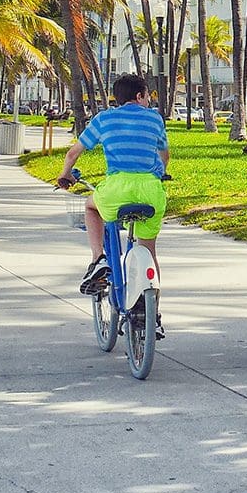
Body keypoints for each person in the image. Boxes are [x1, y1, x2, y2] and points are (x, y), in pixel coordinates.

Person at [58, 74, 170, 337]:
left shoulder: (104, 119)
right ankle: (153, 314)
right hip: (151, 191)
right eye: (147, 96)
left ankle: (99, 258)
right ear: (140, 96)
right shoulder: (154, 118)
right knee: (149, 250)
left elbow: (74, 152)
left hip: (116, 189)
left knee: (91, 207)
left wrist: (65, 174)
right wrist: (160, 172)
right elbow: (164, 154)